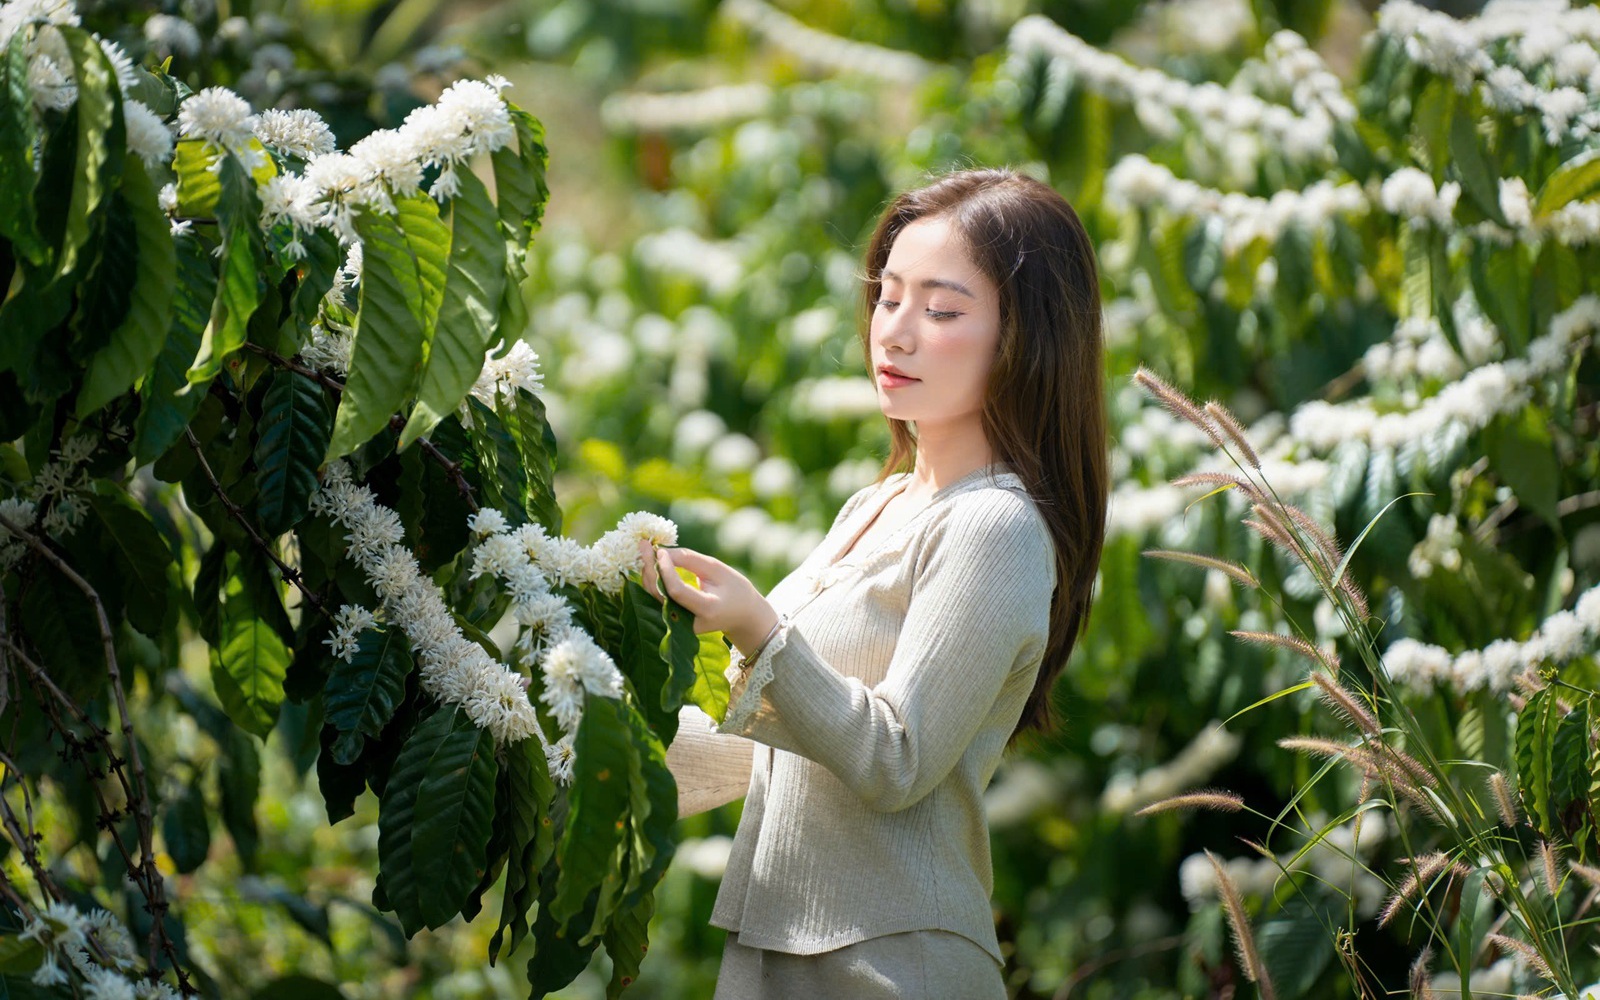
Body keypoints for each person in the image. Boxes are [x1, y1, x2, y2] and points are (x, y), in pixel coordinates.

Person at [636, 167, 1109, 998]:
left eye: (942, 309)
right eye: (888, 297)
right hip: (778, 948)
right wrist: (569, 756)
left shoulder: (993, 526)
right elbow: (766, 746)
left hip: (893, 964)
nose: (894, 333)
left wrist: (758, 630)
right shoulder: (877, 504)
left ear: (1025, 338)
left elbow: (897, 759)